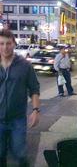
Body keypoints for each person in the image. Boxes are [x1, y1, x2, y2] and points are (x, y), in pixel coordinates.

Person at [0, 29, 40, 166]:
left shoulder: (24, 65)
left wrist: (35, 110)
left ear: (14, 44)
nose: (5, 47)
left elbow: (34, 88)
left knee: (20, 153)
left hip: (17, 119)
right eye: (1, 44)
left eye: (8, 43)